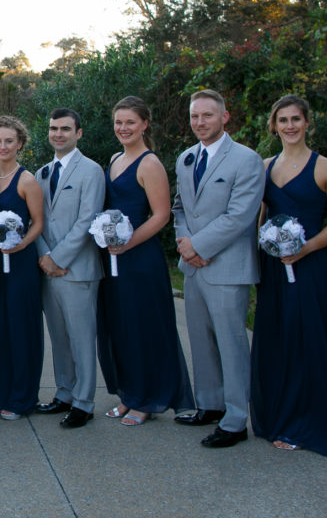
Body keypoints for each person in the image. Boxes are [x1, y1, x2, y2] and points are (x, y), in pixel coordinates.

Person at [251, 95, 327, 457]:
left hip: (309, 267)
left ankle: (308, 425)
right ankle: (278, 418)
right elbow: (259, 218)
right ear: (274, 126)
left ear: (308, 122)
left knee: (306, 341)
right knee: (276, 340)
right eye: (283, 120)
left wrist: (307, 248)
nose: (290, 126)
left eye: (296, 119)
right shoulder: (264, 166)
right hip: (274, 269)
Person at [172, 89, 264, 449]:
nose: (200, 122)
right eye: (195, 116)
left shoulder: (246, 159)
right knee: (201, 340)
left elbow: (240, 216)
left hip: (227, 267)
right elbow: (180, 208)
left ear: (224, 117)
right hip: (194, 267)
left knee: (231, 344)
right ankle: (209, 405)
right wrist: (186, 244)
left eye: (207, 115)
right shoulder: (186, 158)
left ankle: (236, 419)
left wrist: (199, 246)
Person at [96, 97, 194, 426]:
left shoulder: (149, 164)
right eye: (118, 122)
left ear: (144, 124)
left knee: (143, 327)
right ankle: (129, 394)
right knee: (121, 326)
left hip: (139, 258)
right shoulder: (114, 159)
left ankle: (149, 399)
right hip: (113, 258)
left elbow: (161, 215)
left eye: (130, 122)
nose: (123, 128)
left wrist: (127, 244)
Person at [33, 108, 105, 429]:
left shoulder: (91, 171)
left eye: (65, 129)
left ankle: (84, 402)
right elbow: (36, 220)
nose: (58, 134)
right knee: (59, 337)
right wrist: (44, 256)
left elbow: (87, 220)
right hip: (48, 269)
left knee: (81, 338)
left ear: (78, 133)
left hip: (77, 270)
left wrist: (58, 258)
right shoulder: (42, 173)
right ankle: (64, 392)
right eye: (53, 128)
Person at [0, 116, 45, 420]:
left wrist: (20, 245)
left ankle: (21, 398)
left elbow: (38, 223)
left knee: (20, 327)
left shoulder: (27, 180)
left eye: (9, 141)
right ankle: (1, 392)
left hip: (20, 262)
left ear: (20, 143)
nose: (3, 146)